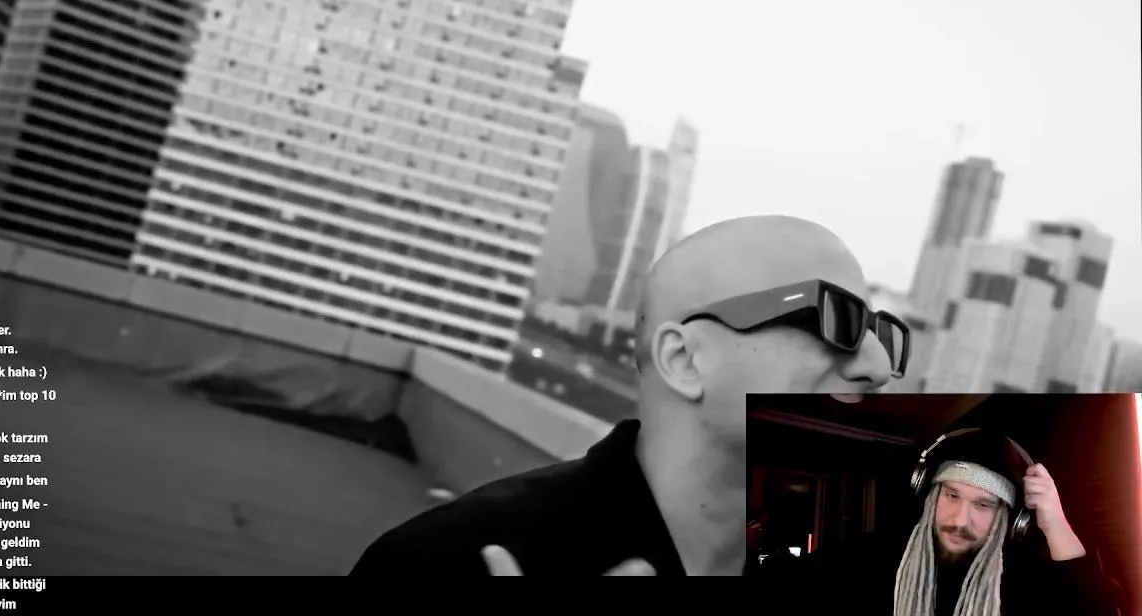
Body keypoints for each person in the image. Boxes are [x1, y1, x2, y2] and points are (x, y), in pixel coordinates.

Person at [350, 215, 905, 576]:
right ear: (684, 360)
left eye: (881, 333)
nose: (878, 367)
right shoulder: (448, 561)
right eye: (835, 319)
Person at [756, 429, 1117, 615]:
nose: (960, 519)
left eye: (983, 505)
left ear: (1007, 518)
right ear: (929, 495)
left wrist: (1054, 522)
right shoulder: (863, 560)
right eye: (952, 496)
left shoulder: (1024, 586)